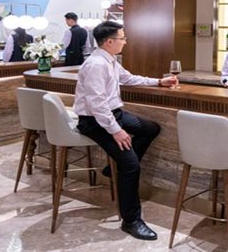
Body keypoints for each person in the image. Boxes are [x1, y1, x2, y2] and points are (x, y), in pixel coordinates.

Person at [74, 20, 177, 241]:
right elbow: (96, 104)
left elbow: (128, 78)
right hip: (94, 121)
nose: (125, 42)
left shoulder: (110, 60)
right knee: (131, 166)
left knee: (150, 129)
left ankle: (112, 169)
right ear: (109, 42)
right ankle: (131, 220)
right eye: (122, 38)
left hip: (114, 113)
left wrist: (159, 81)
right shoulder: (96, 65)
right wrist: (116, 130)